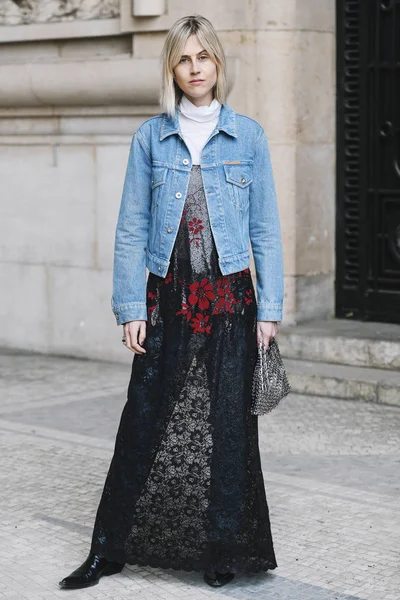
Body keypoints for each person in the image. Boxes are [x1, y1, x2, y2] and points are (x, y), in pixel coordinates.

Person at [59, 13, 284, 591]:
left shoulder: (249, 137)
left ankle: (223, 550)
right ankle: (108, 550)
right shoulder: (150, 137)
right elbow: (131, 228)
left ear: (217, 63)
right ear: (173, 69)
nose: (195, 68)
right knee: (142, 418)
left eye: (203, 56)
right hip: (169, 297)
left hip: (232, 298)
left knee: (230, 426)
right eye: (183, 59)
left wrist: (271, 309)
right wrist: (131, 305)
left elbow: (265, 231)